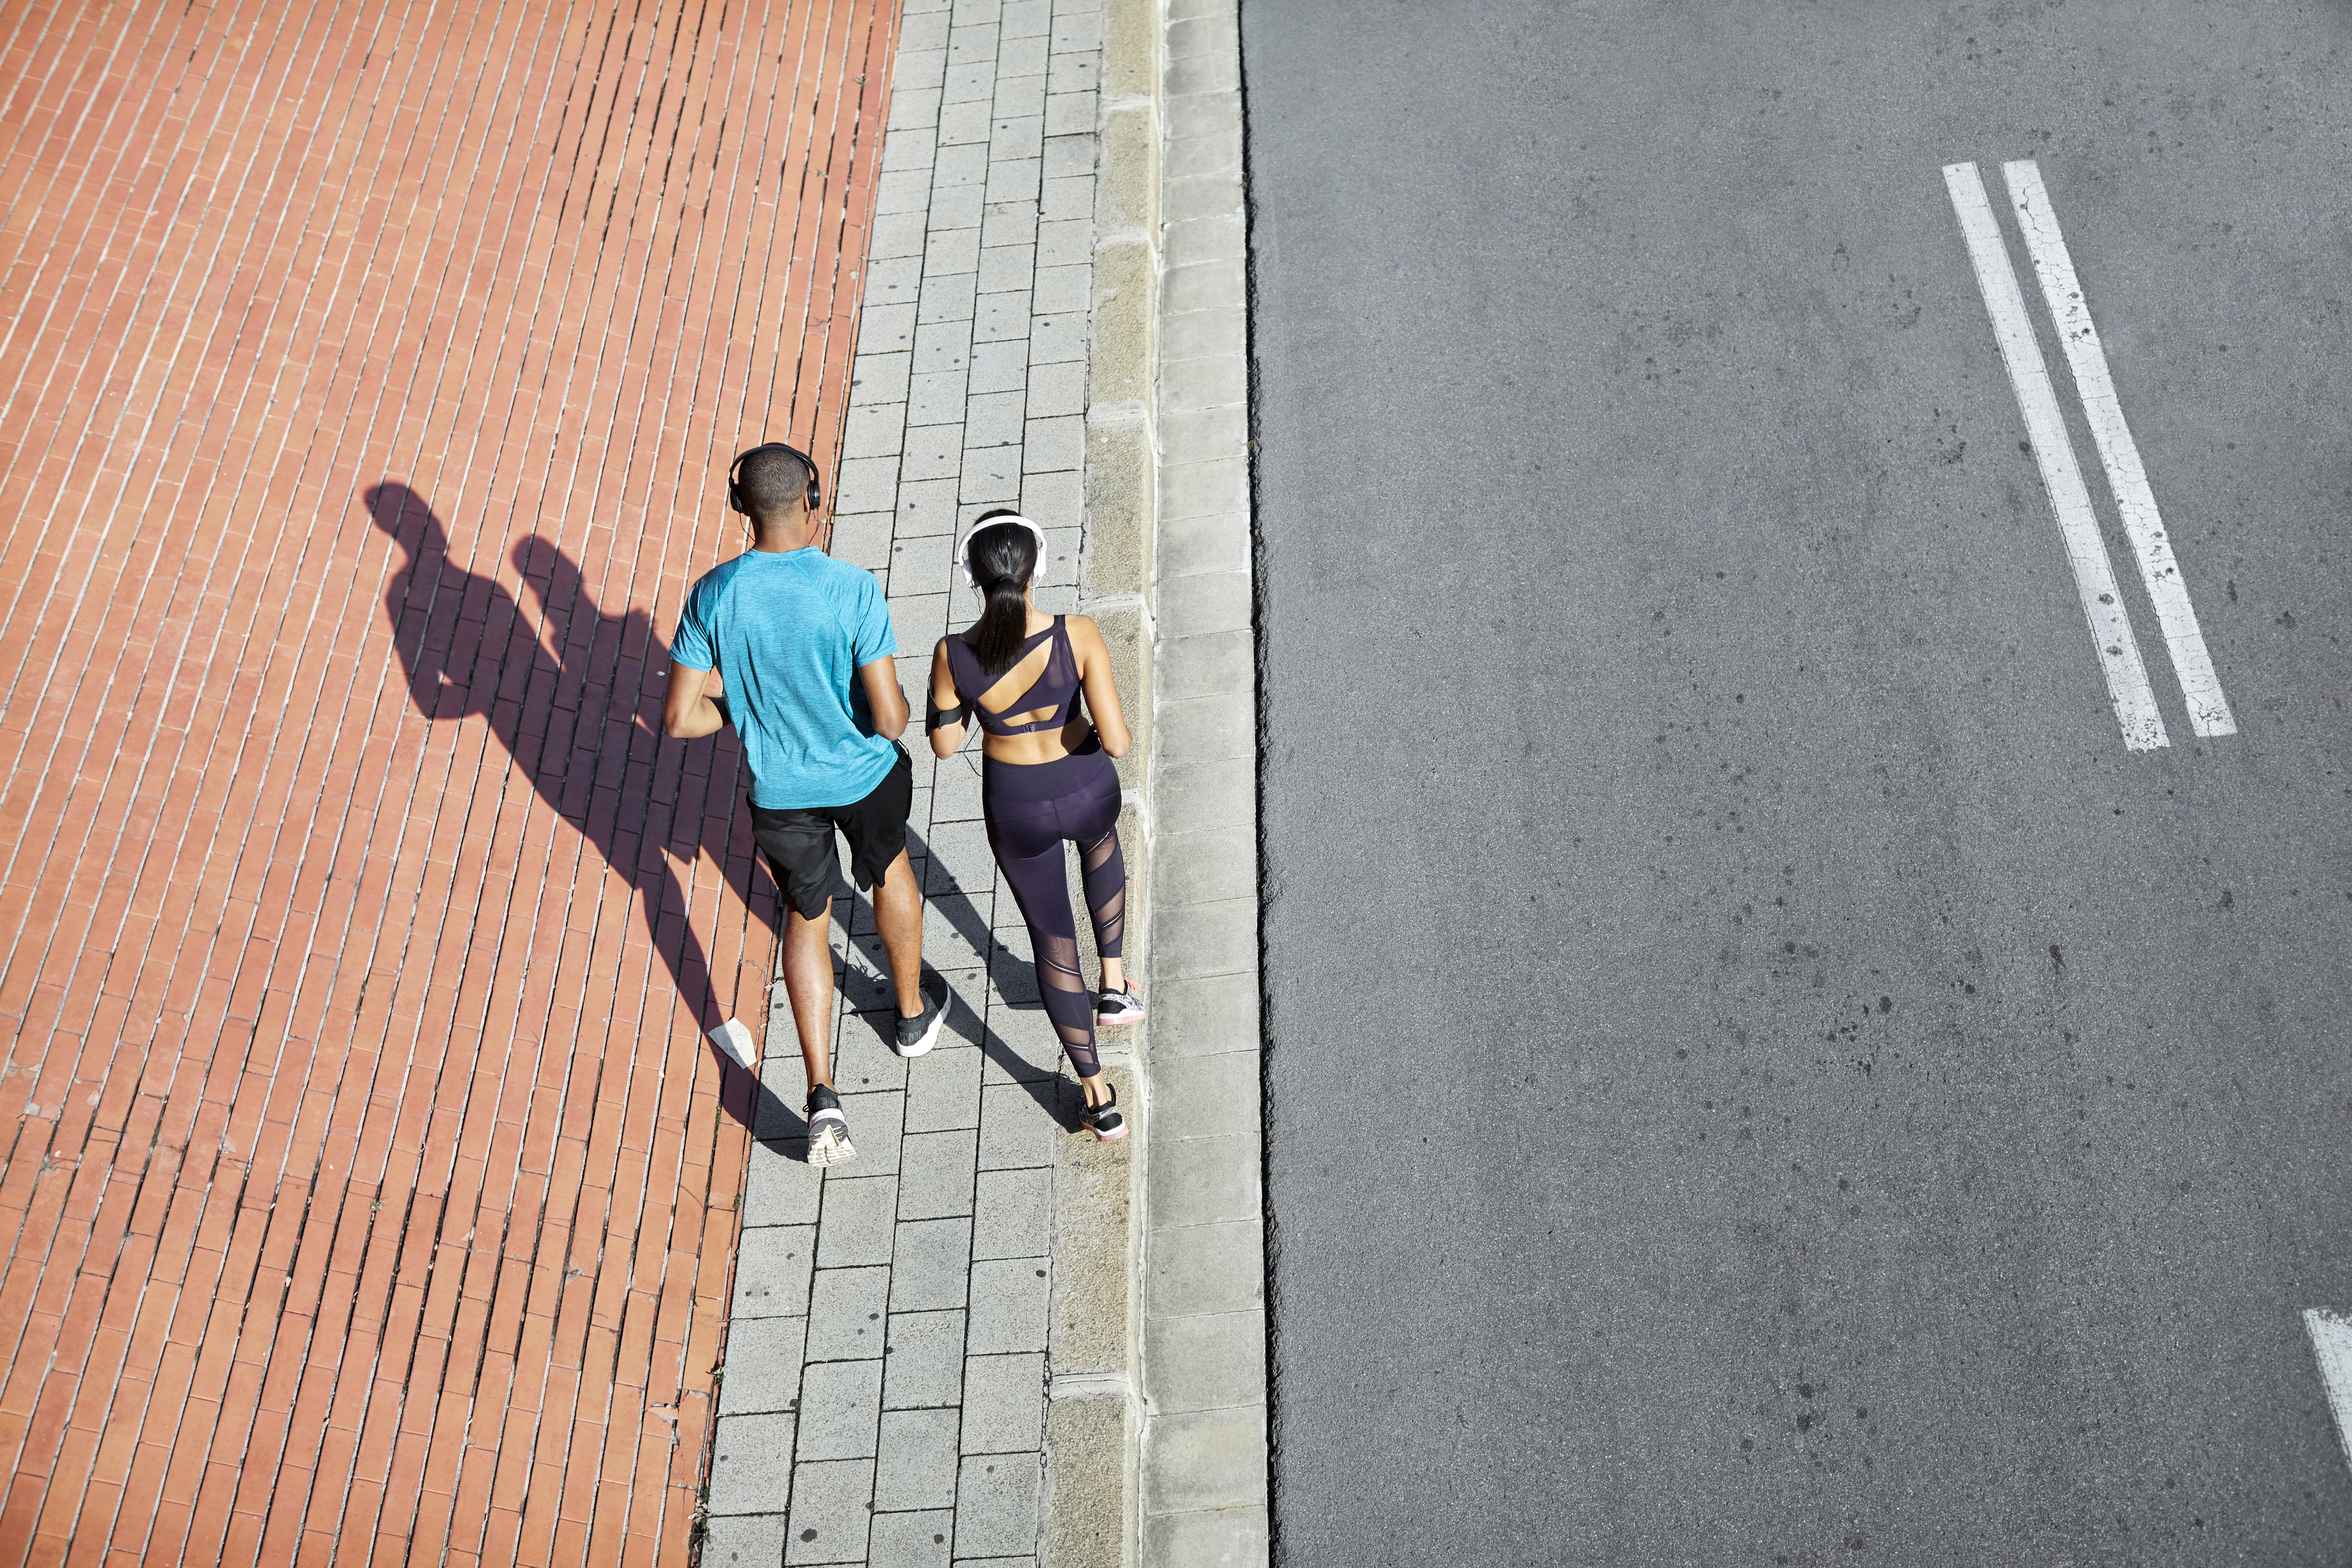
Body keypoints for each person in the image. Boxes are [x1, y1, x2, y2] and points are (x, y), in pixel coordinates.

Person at [664, 442, 948, 1165]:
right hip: (863, 777)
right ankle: (911, 1017)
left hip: (781, 796)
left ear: (742, 506)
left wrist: (743, 708)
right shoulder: (850, 588)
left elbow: (681, 719)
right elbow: (890, 720)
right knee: (891, 872)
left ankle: (822, 1095)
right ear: (812, 499)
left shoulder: (712, 595)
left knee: (806, 917)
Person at [927, 511, 1141, 1140]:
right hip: (1086, 785)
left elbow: (944, 745)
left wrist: (969, 703)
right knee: (1100, 845)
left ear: (971, 577)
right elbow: (1119, 742)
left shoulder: (953, 654)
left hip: (1016, 804)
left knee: (1052, 942)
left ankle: (1098, 1098)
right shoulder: (1078, 633)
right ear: (1038, 568)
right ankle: (1114, 985)